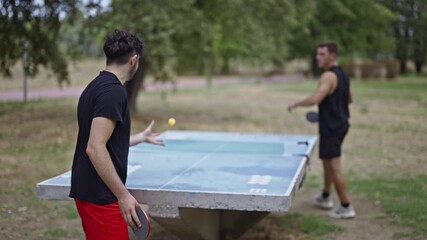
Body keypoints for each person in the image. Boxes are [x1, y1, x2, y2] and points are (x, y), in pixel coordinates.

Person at [69, 29, 164, 239]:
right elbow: (94, 147)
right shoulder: (114, 92)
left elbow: (102, 139)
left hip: (90, 190)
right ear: (134, 60)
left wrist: (140, 137)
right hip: (101, 197)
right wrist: (124, 196)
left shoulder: (94, 87)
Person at [287, 41, 356, 219]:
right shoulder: (343, 75)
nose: (318, 57)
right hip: (340, 124)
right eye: (317, 54)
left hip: (332, 127)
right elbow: (349, 99)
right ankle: (326, 197)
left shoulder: (328, 76)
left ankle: (346, 206)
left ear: (332, 56)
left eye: (322, 54)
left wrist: (296, 103)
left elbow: (317, 98)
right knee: (327, 161)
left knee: (334, 165)